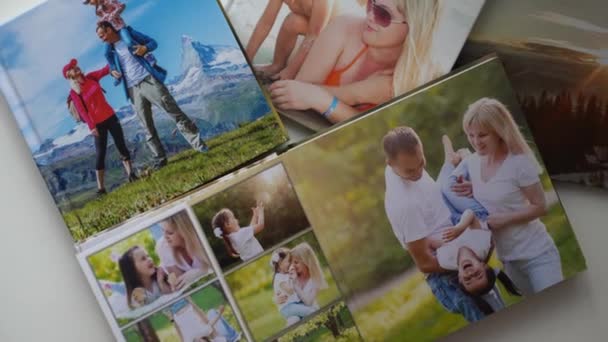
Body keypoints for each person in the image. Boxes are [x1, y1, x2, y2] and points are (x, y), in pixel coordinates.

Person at [450, 98, 564, 295]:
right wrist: (473, 190)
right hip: (509, 261)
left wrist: (505, 219)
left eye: (482, 135)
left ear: (498, 131)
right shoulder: (473, 163)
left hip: (537, 254)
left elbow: (540, 206)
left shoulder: (519, 163)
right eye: (471, 135)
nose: (476, 142)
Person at [269, 0, 441, 123]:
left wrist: (321, 99)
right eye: (371, 3)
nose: (371, 16)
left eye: (383, 14)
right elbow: (293, 93)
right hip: (305, 51)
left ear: (413, 26)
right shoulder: (345, 26)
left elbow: (379, 139)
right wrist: (357, 93)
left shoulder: (420, 77)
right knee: (293, 22)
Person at [383, 126, 487, 322]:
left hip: (455, 235)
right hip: (448, 273)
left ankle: (451, 161)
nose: (419, 172)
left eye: (421, 162)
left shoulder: (403, 162)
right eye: (410, 171)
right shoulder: (405, 205)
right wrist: (469, 261)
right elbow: (425, 263)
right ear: (390, 164)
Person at [96, 21, 208, 170]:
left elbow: (153, 42)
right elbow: (112, 66)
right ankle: (160, 159)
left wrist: (145, 48)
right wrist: (112, 72)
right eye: (100, 37)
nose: (102, 39)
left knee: (174, 113)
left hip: (148, 80)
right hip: (132, 89)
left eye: (102, 35)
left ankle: (199, 146)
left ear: (109, 29)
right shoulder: (110, 51)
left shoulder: (129, 35)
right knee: (146, 126)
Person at [63, 58, 137, 195]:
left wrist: (115, 58)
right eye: (73, 67)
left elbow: (105, 70)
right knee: (100, 154)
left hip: (110, 116)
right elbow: (83, 112)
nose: (76, 67)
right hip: (97, 124)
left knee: (121, 145)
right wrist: (92, 127)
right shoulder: (74, 93)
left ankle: (131, 175)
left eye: (76, 65)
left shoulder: (91, 77)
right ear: (69, 74)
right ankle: (101, 189)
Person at [246, 0, 337, 81]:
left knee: (296, 76)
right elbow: (265, 23)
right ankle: (277, 65)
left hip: (330, 37)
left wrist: (289, 72)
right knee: (293, 21)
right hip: (310, 29)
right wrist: (247, 58)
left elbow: (313, 37)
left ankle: (289, 72)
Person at [84, 0, 157, 85]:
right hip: (111, 32)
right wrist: (101, 22)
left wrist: (112, 15)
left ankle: (147, 56)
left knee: (129, 42)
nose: (90, 3)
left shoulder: (108, 1)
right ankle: (116, 73)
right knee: (106, 53)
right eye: (89, 3)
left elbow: (121, 6)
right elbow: (103, 21)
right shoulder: (98, 10)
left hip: (120, 27)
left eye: (90, 1)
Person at [155, 211, 213, 291]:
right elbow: (180, 285)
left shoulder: (201, 238)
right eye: (162, 230)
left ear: (183, 231)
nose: (165, 237)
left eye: (170, 233)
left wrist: (200, 272)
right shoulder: (163, 246)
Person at [275, 243, 327, 321]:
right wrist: (277, 299)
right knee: (293, 320)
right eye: (291, 262)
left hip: (309, 310)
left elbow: (308, 302)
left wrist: (295, 285)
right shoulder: (291, 275)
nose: (293, 266)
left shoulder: (315, 280)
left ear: (306, 262)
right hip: (294, 311)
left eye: (296, 262)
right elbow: (280, 289)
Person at [270, 247, 316, 326]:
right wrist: (293, 279)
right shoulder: (279, 277)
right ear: (280, 263)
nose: (290, 264)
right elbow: (290, 291)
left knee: (296, 319)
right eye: (288, 261)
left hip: (294, 305)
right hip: (288, 307)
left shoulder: (287, 274)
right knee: (310, 311)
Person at [164, 298, 240, 342]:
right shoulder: (206, 331)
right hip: (184, 304)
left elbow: (179, 332)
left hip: (173, 311)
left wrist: (171, 318)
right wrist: (190, 301)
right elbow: (207, 320)